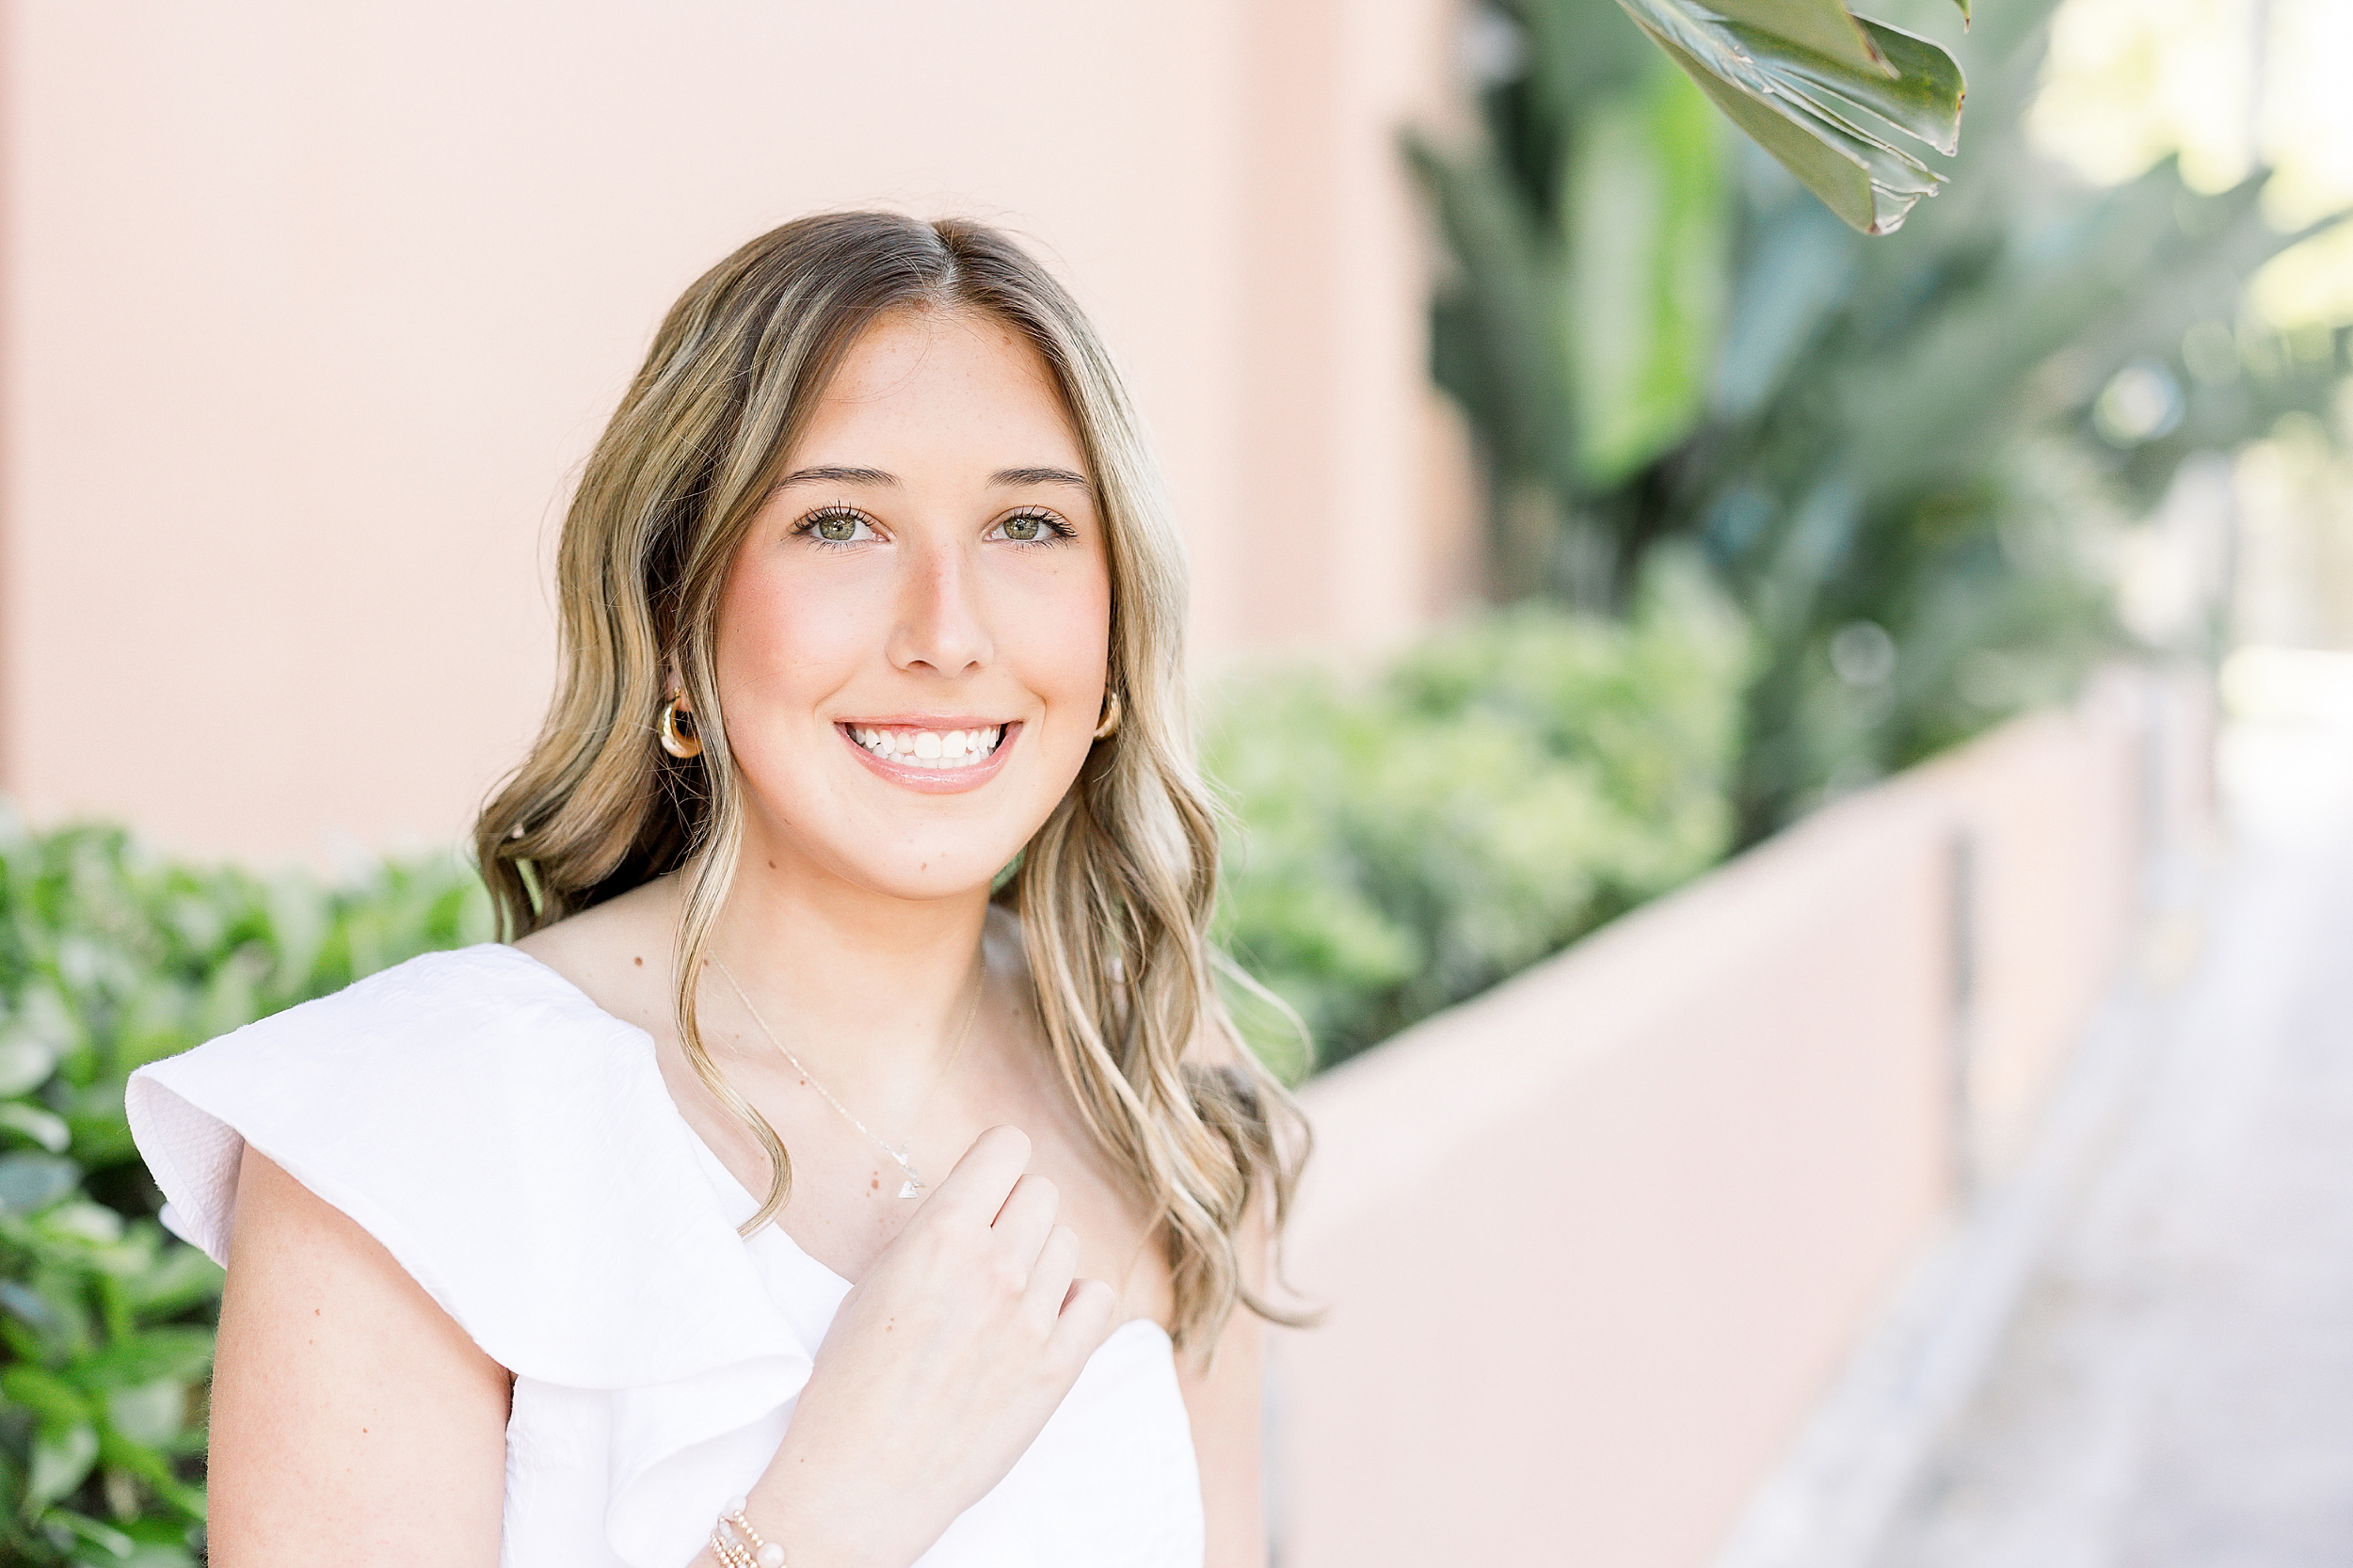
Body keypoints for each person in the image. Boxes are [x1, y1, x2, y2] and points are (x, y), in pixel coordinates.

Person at [126, 212, 1308, 1568]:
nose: (948, 632)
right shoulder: (408, 1136)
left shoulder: (1159, 1087)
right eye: (842, 522)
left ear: (1115, 640)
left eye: (1029, 523)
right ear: (676, 620)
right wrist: (826, 1515)